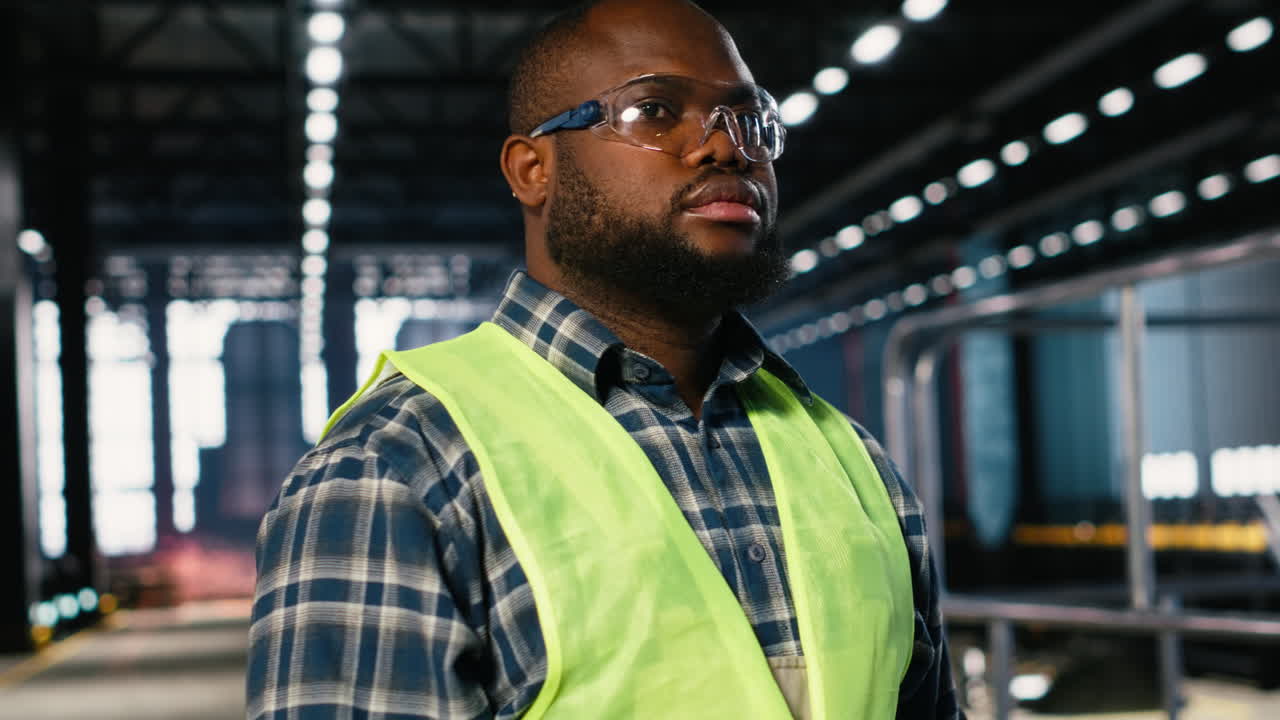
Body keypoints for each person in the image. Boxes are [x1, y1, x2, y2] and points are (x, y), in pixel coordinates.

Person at [248, 0, 961, 717]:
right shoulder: (399, 467)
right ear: (533, 169)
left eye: (750, 120)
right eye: (655, 111)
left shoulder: (852, 463)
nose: (725, 147)